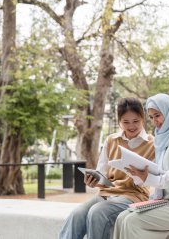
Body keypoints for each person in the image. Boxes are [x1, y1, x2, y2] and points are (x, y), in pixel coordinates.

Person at [58, 97, 155, 239]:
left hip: (133, 196)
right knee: (77, 214)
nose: (131, 126)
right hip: (107, 193)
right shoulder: (111, 140)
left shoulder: (152, 144)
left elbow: (155, 179)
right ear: (119, 121)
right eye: (125, 122)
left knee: (97, 212)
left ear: (143, 118)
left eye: (136, 121)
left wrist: (142, 176)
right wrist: (93, 180)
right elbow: (101, 172)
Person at [113, 93, 169, 239]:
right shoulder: (161, 136)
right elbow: (160, 172)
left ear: (168, 111)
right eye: (151, 117)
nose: (155, 121)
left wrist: (149, 178)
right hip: (166, 202)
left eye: (158, 115)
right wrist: (139, 174)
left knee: (132, 222)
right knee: (122, 218)